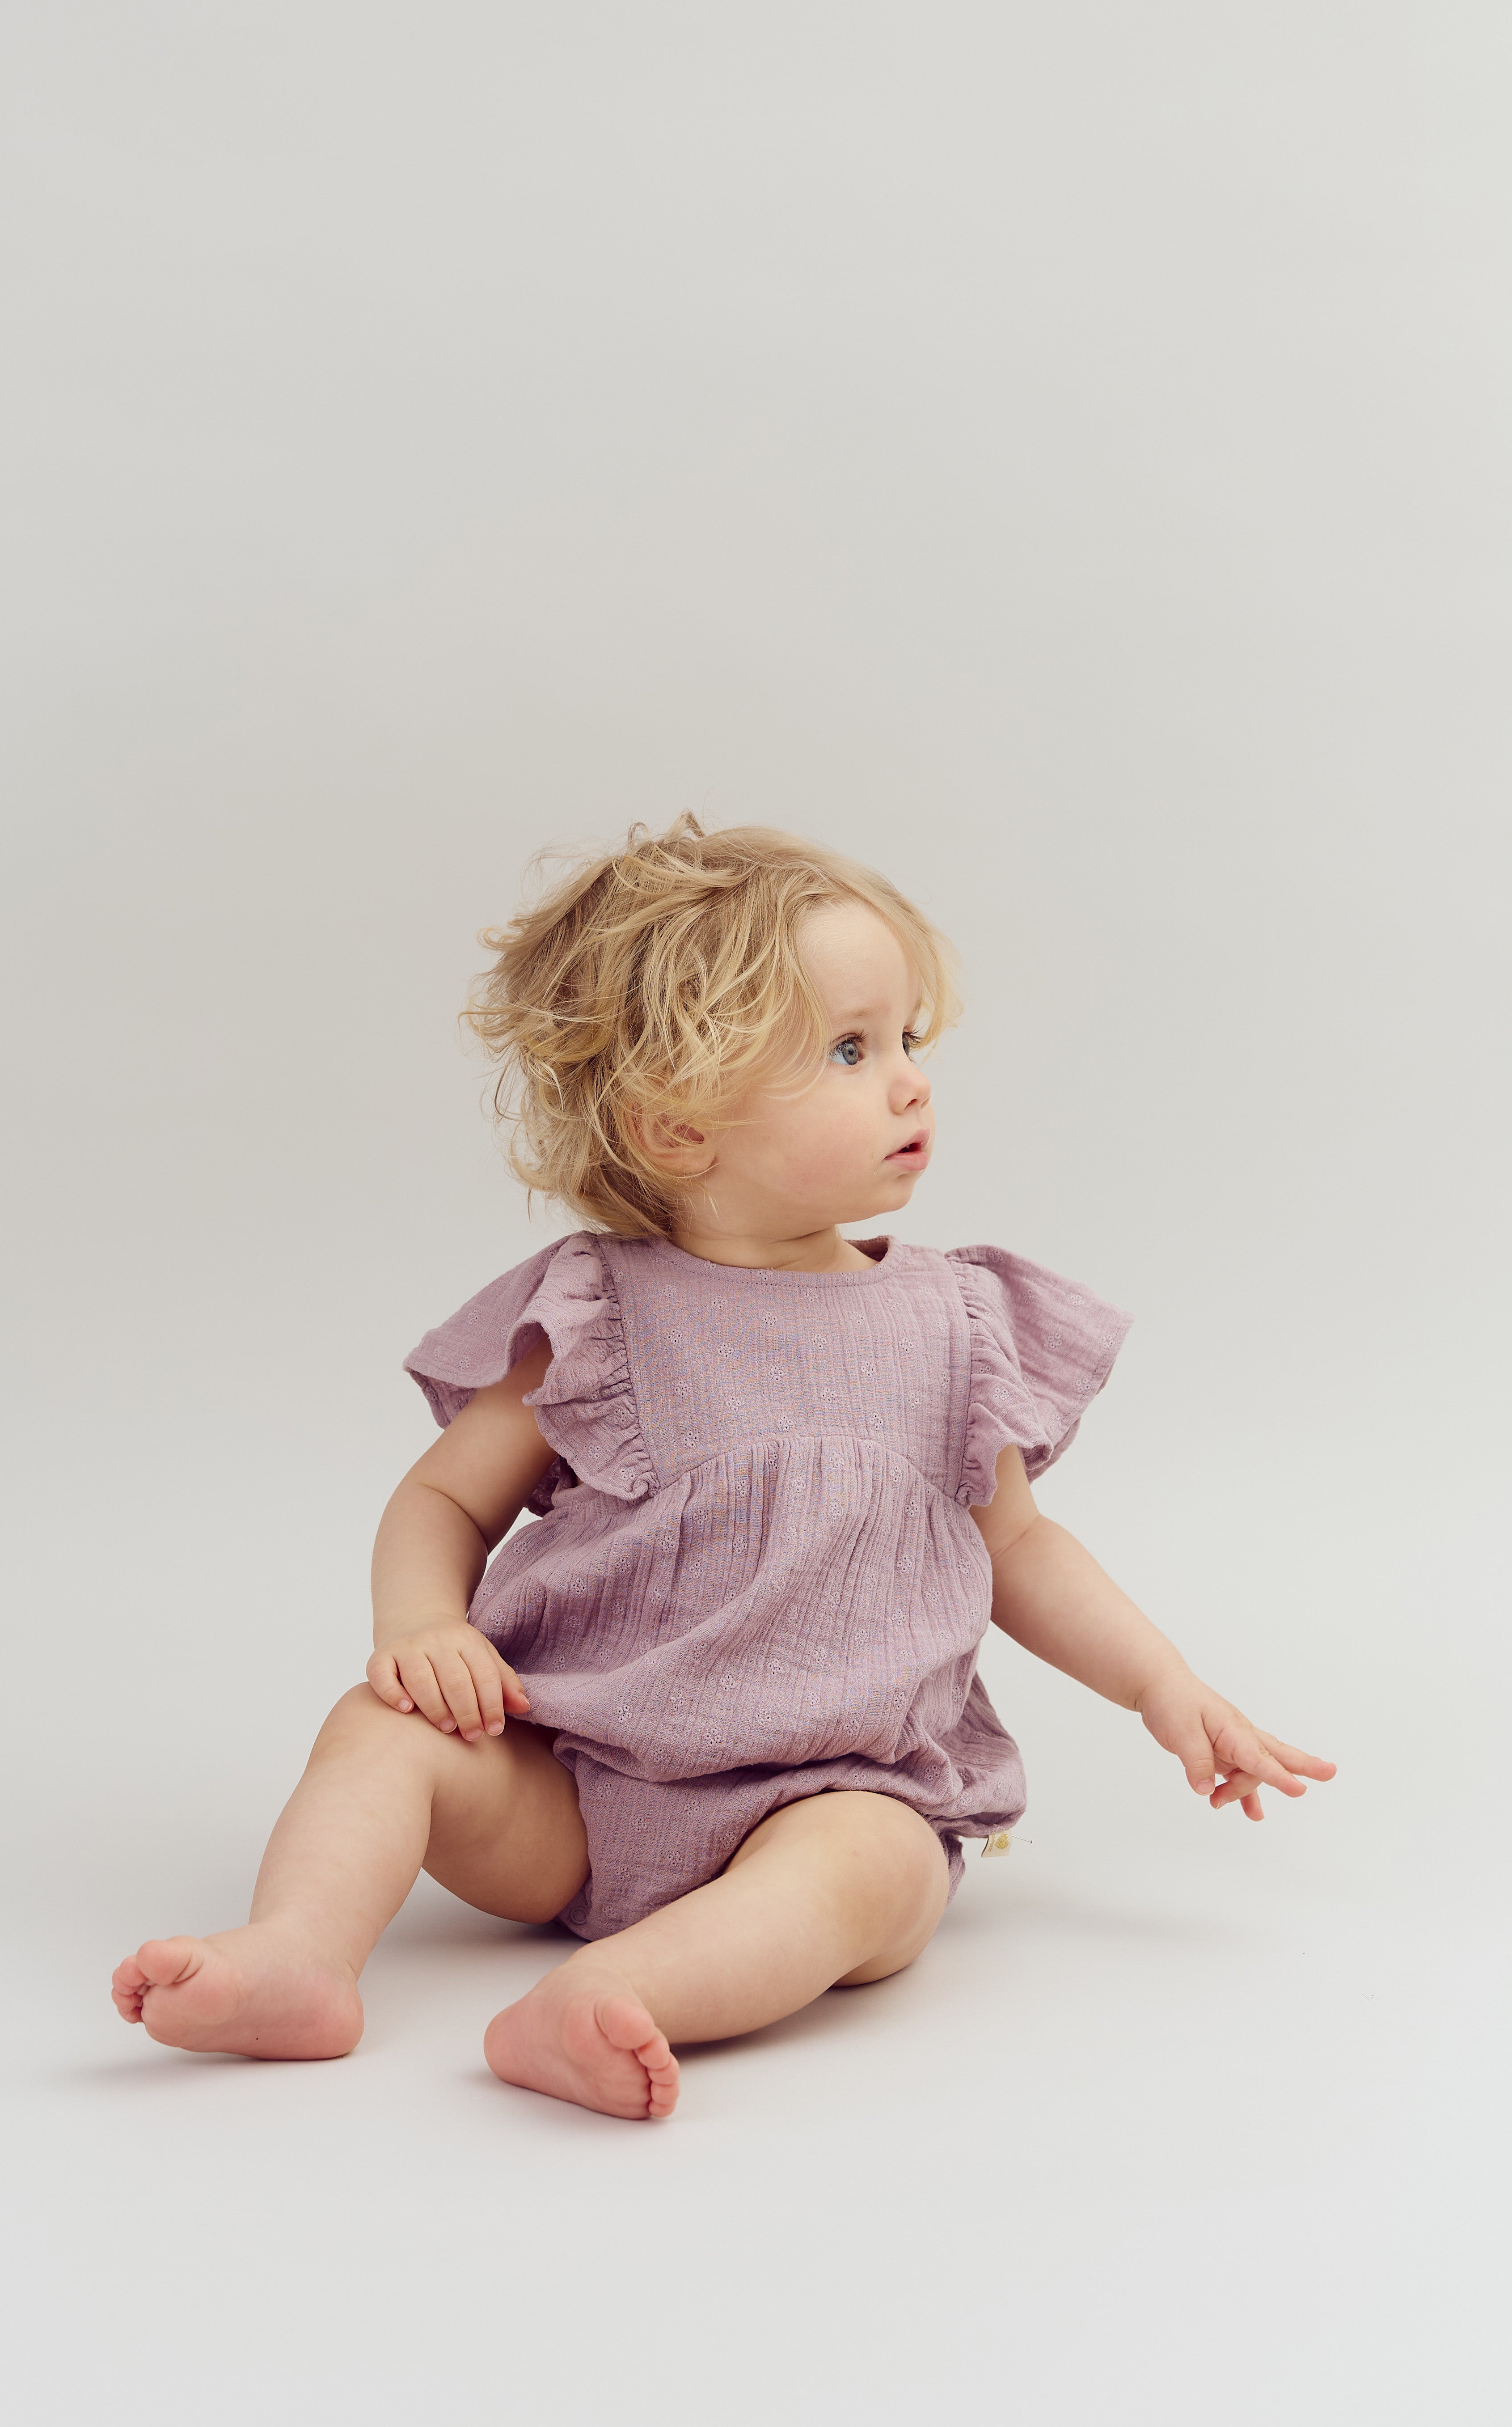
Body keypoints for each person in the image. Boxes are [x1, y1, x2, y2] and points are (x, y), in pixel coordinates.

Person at [112, 816, 1335, 2118]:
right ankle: (301, 1956)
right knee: (382, 1732)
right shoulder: (598, 1312)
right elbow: (443, 1498)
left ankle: (615, 1996)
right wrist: (418, 1627)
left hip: (832, 1789)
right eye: (851, 1052)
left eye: (910, 1041)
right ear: (679, 1126)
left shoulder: (953, 1322)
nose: (912, 1082)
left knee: (867, 1871)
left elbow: (1019, 1548)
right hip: (574, 1791)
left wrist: (1165, 1687)